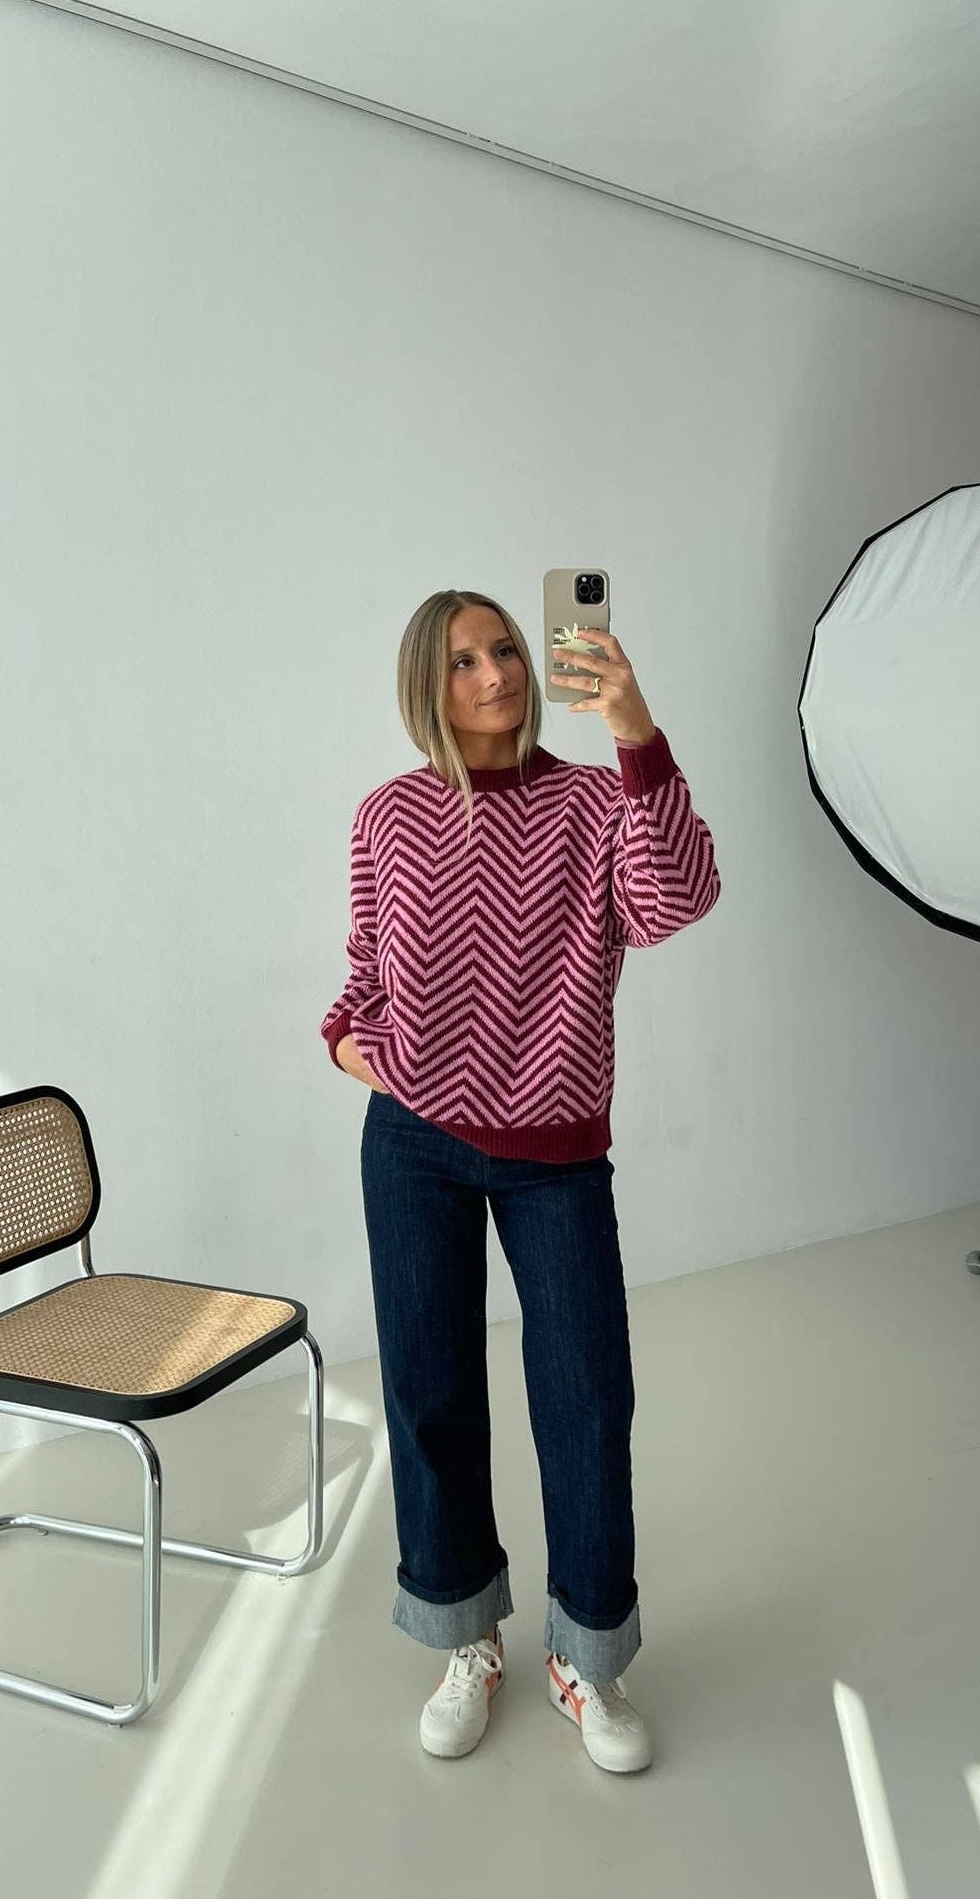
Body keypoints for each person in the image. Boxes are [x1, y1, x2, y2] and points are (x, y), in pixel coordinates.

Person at [320, 588, 720, 1773]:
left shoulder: (594, 800)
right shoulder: (388, 815)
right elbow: (364, 972)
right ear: (427, 686)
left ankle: (588, 1657)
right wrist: (350, 1043)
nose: (495, 672)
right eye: (463, 661)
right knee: (430, 1390)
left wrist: (635, 727)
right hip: (413, 1144)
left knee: (588, 1396)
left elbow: (676, 899)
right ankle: (466, 1638)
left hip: (556, 1153)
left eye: (504, 648)